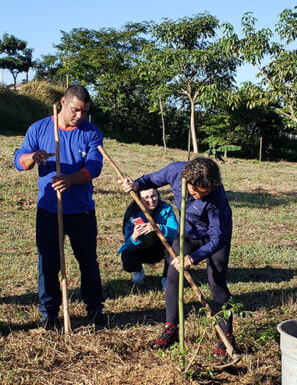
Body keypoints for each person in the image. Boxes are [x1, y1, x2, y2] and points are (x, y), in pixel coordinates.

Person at [120, 157, 234, 356]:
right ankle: (171, 328)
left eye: (205, 192)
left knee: (216, 283)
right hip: (187, 234)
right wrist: (135, 183)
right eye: (197, 191)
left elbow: (218, 237)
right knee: (173, 277)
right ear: (187, 180)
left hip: (215, 239)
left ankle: (226, 336)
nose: (200, 196)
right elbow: (150, 180)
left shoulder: (217, 196)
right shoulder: (175, 171)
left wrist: (193, 258)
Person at [14, 85, 106, 329]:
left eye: (84, 112)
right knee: (48, 264)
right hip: (48, 209)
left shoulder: (91, 132)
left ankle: (95, 310)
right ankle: (49, 315)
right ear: (63, 102)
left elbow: (95, 166)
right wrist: (32, 158)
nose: (80, 116)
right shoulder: (40, 128)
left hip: (81, 210)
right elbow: (19, 160)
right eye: (76, 110)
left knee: (88, 261)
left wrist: (70, 179)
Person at [118, 188, 178, 290]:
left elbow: (175, 233)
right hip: (141, 248)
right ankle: (138, 270)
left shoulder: (166, 209)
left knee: (176, 246)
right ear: (139, 199)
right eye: (146, 197)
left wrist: (159, 228)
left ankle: (167, 278)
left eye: (154, 196)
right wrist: (135, 236)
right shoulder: (132, 214)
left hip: (160, 248)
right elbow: (128, 244)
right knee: (128, 261)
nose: (151, 200)